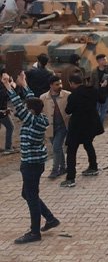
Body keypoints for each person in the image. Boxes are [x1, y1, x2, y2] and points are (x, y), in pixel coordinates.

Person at [2, 71, 59, 244]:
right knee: (27, 194)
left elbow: (20, 106)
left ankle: (35, 232)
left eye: (28, 109)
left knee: (31, 196)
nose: (25, 110)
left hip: (31, 164)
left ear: (31, 111)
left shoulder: (30, 119)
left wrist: (7, 86)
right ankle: (50, 219)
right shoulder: (38, 116)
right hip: (35, 162)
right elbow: (32, 100)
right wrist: (23, 84)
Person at [61, 74, 104, 188]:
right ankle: (93, 167)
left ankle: (71, 178)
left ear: (72, 83)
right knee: (88, 144)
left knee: (71, 151)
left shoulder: (73, 95)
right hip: (91, 124)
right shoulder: (92, 90)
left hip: (77, 126)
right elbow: (102, 100)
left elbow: (68, 110)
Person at [40, 76, 70, 179]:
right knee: (58, 148)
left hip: (63, 126)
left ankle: (55, 169)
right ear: (51, 85)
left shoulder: (67, 95)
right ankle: (63, 167)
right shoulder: (43, 98)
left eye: (60, 84)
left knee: (56, 147)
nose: (60, 86)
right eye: (57, 84)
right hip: (50, 127)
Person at [0, 68, 15, 154]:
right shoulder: (3, 87)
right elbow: (4, 97)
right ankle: (8, 147)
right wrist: (11, 85)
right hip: (2, 112)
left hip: (3, 110)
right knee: (10, 127)